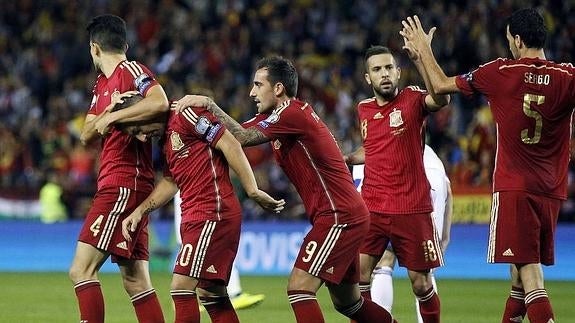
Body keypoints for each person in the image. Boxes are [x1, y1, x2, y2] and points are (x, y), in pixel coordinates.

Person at [173, 56, 396, 323]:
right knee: (349, 304)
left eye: (258, 85)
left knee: (300, 288)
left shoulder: (290, 112)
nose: (252, 92)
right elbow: (236, 135)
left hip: (339, 216)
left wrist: (209, 105)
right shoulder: (284, 117)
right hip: (343, 214)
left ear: (278, 88)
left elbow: (240, 138)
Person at [400, 9, 575, 323]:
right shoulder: (568, 76)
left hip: (515, 189)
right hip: (552, 191)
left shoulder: (501, 72)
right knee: (517, 277)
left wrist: (423, 51)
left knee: (530, 275)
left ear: (517, 40)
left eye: (509, 39)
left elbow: (439, 86)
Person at [116, 98, 284, 323]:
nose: (142, 137)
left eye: (138, 129)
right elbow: (171, 181)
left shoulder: (186, 114)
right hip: (194, 215)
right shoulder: (165, 139)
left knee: (181, 287)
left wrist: (252, 190)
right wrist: (140, 211)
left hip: (212, 211)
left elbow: (230, 143)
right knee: (211, 294)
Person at [68, 14, 169, 323]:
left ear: (94, 49)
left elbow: (161, 103)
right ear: (123, 43)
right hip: (127, 185)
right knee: (135, 279)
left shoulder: (132, 70)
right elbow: (86, 134)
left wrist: (111, 119)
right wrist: (111, 111)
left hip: (124, 183)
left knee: (81, 270)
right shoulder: (102, 85)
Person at [344, 45, 450, 323]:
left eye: (389, 68)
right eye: (377, 70)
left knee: (421, 284)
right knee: (358, 279)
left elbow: (442, 100)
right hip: (373, 209)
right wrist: (348, 157)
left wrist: (423, 57)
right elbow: (373, 147)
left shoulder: (413, 99)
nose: (384, 74)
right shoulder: (363, 109)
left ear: (399, 71)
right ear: (368, 78)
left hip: (412, 208)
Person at [352, 145, 453, 322]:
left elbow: (359, 197)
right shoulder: (428, 153)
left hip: (405, 192)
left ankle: (378, 318)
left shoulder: (367, 154)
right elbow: (446, 188)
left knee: (382, 263)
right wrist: (444, 237)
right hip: (429, 188)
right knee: (423, 275)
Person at [173, 191, 266, 311]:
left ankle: (232, 293)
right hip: (195, 217)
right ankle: (232, 294)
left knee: (215, 257)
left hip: (200, 214)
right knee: (195, 268)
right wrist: (252, 189)